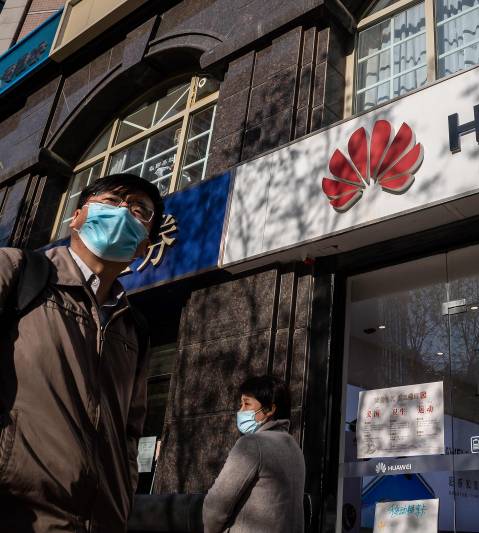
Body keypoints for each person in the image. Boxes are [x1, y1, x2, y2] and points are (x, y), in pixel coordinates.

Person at [0, 173, 163, 533]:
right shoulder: (15, 271)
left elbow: (129, 434)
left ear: (144, 245)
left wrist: (121, 502)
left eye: (139, 210)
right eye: (111, 201)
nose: (123, 212)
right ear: (76, 217)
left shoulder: (133, 328)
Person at [203, 375, 306, 533]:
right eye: (241, 404)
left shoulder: (252, 444)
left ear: (269, 409)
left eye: (247, 404)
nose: (240, 411)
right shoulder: (294, 448)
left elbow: (217, 504)